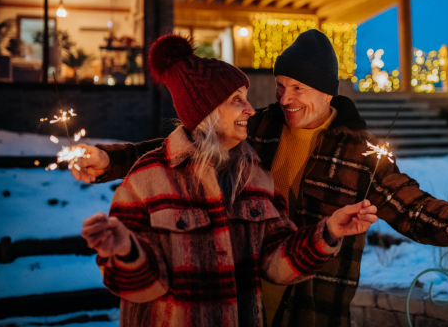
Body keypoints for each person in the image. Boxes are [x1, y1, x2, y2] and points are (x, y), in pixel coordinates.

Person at [74, 30, 448, 327]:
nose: (284, 99)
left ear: (327, 92)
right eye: (280, 85)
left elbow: (415, 209)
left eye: (298, 89)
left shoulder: (359, 154)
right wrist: (110, 160)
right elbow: (185, 142)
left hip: (308, 306)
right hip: (233, 296)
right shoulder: (258, 126)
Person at [81, 34, 378, 327]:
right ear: (207, 112)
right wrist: (125, 250)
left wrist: (328, 232)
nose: (251, 109)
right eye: (237, 100)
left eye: (246, 99)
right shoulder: (145, 180)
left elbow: (275, 260)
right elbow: (141, 288)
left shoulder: (256, 177)